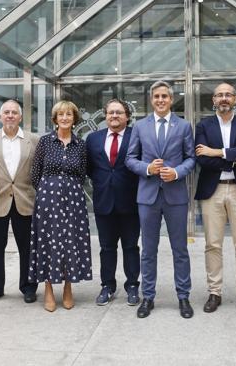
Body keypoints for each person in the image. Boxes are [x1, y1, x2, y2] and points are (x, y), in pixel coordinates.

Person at [126, 81, 196, 319]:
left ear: (171, 99)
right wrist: (147, 168)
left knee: (180, 250)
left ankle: (183, 296)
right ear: (151, 99)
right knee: (148, 250)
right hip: (148, 196)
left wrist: (176, 172)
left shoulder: (184, 126)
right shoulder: (140, 126)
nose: (160, 100)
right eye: (156, 96)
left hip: (175, 196)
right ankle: (148, 297)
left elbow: (191, 159)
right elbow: (130, 158)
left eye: (164, 96)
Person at [194, 83, 236, 315]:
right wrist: (233, 155)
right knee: (212, 244)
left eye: (228, 94)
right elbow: (201, 158)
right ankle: (215, 292)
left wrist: (217, 152)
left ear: (235, 98)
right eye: (220, 95)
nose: (224, 98)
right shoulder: (203, 125)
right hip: (213, 190)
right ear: (213, 100)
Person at [29, 101, 92, 312]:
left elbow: (82, 173)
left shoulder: (81, 144)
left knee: (70, 241)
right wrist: (50, 189)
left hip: (73, 199)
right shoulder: (45, 142)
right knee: (49, 240)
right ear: (55, 119)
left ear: (74, 118)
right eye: (61, 114)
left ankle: (68, 287)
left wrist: (68, 188)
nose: (65, 118)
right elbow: (35, 173)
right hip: (48, 200)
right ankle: (48, 288)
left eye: (69, 114)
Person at [0, 100, 39, 305]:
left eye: (14, 112)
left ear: (21, 117)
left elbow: (39, 171)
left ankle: (29, 287)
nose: (10, 115)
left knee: (28, 248)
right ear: (0, 117)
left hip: (26, 201)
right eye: (6, 112)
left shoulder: (34, 140)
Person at [86, 99, 140, 306]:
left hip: (131, 201)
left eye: (119, 112)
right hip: (104, 201)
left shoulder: (137, 136)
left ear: (127, 116)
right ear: (105, 116)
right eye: (110, 113)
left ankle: (133, 285)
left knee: (131, 247)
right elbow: (90, 168)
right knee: (106, 247)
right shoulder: (93, 139)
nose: (114, 116)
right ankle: (107, 286)